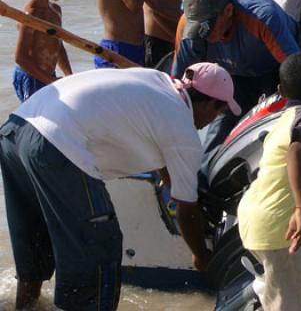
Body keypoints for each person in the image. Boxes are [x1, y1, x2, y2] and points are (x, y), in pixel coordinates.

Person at [0, 62, 239, 310]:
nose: (210, 122)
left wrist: (183, 190)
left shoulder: (157, 82)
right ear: (210, 103)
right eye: (217, 114)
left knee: (35, 237)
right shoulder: (183, 130)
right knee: (101, 246)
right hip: (56, 143)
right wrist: (201, 255)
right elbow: (187, 210)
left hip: (17, 131)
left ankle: (25, 305)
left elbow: (167, 168)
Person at [237, 52, 301, 311]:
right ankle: (274, 298)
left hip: (254, 217)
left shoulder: (281, 121)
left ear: (280, 91)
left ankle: (267, 294)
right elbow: (297, 150)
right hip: (278, 226)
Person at [172, 0, 301, 159]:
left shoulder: (263, 17)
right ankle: (205, 178)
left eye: (205, 28)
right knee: (220, 126)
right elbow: (177, 89)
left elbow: (298, 73)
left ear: (228, 11)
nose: (202, 35)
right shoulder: (189, 27)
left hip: (274, 68)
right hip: (230, 74)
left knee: (277, 126)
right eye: (197, 30)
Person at [13, 0, 72, 101]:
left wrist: (69, 75)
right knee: (36, 118)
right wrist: (50, 81)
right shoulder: (31, 16)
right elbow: (20, 58)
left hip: (47, 76)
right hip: (31, 76)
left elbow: (58, 46)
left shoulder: (55, 10)